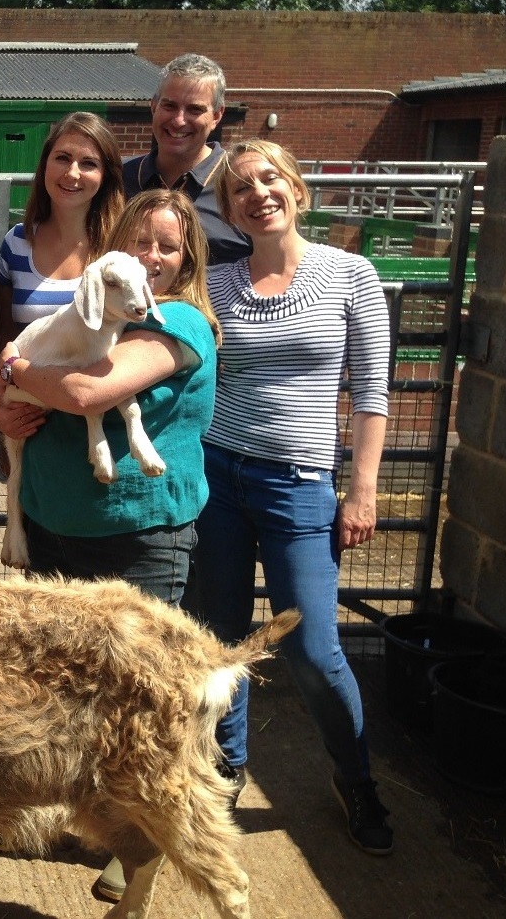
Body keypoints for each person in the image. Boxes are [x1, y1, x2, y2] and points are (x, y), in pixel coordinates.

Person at [0, 190, 221, 903]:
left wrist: (16, 370)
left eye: (168, 247)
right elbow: (21, 404)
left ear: (188, 259)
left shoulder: (177, 319)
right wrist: (7, 393)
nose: (152, 259)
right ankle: (86, 816)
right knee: (69, 688)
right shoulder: (97, 308)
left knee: (142, 697)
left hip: (139, 533)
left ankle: (142, 841)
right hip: (55, 520)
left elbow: (93, 390)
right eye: (140, 243)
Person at [188, 139, 394, 856]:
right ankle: (226, 767)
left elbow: (371, 394)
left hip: (300, 482)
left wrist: (360, 492)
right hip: (215, 476)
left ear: (297, 187)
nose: (257, 194)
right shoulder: (216, 282)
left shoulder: (351, 275)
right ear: (228, 210)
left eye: (269, 179)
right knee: (219, 637)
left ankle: (355, 775)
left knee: (311, 647)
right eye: (239, 188)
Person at [0, 110, 124, 350]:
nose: (72, 173)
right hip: (27, 384)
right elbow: (5, 340)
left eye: (88, 163)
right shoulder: (15, 244)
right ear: (45, 164)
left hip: (97, 386)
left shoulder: (121, 247)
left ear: (105, 175)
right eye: (63, 158)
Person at [123, 53, 251, 265]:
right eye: (170, 106)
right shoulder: (116, 178)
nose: (179, 121)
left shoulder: (242, 185)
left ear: (217, 116)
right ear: (154, 106)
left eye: (195, 109)